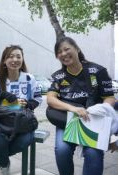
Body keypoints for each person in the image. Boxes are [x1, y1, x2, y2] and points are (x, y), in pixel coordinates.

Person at [47, 36, 115, 175]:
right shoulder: (58, 76)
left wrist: (95, 110)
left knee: (93, 153)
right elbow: (50, 99)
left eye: (67, 49)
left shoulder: (98, 71)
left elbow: (109, 98)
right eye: (59, 52)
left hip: (93, 121)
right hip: (68, 121)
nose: (64, 54)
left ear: (77, 49)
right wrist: (73, 109)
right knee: (62, 150)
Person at [0, 45, 42, 175]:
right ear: (4, 61)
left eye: (18, 56)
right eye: (10, 56)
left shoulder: (29, 78)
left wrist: (27, 104)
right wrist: (3, 95)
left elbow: (38, 99)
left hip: (23, 122)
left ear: (22, 60)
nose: (15, 59)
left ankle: (0, 155)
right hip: (1, 121)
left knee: (25, 141)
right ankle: (4, 167)